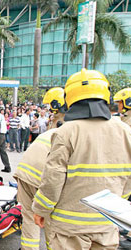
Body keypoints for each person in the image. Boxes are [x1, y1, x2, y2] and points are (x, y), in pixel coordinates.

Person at [32, 69, 131, 249]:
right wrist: (118, 202)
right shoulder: (124, 130)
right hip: (107, 224)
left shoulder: (67, 132)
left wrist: (41, 210)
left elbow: (53, 179)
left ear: (70, 97)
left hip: (69, 227)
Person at [14, 122, 64, 250]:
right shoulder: (70, 136)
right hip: (42, 178)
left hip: (24, 174)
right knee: (50, 220)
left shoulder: (50, 133)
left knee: (30, 218)